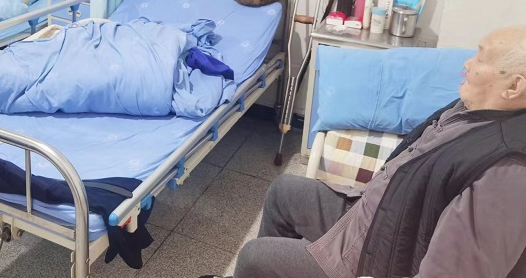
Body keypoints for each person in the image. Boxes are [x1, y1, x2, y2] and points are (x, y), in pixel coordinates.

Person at [201, 25, 526, 278]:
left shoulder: (508, 169)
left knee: (256, 257)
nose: (467, 63)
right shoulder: (474, 111)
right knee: (285, 192)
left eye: (480, 58)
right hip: (378, 218)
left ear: (514, 86)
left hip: (382, 259)